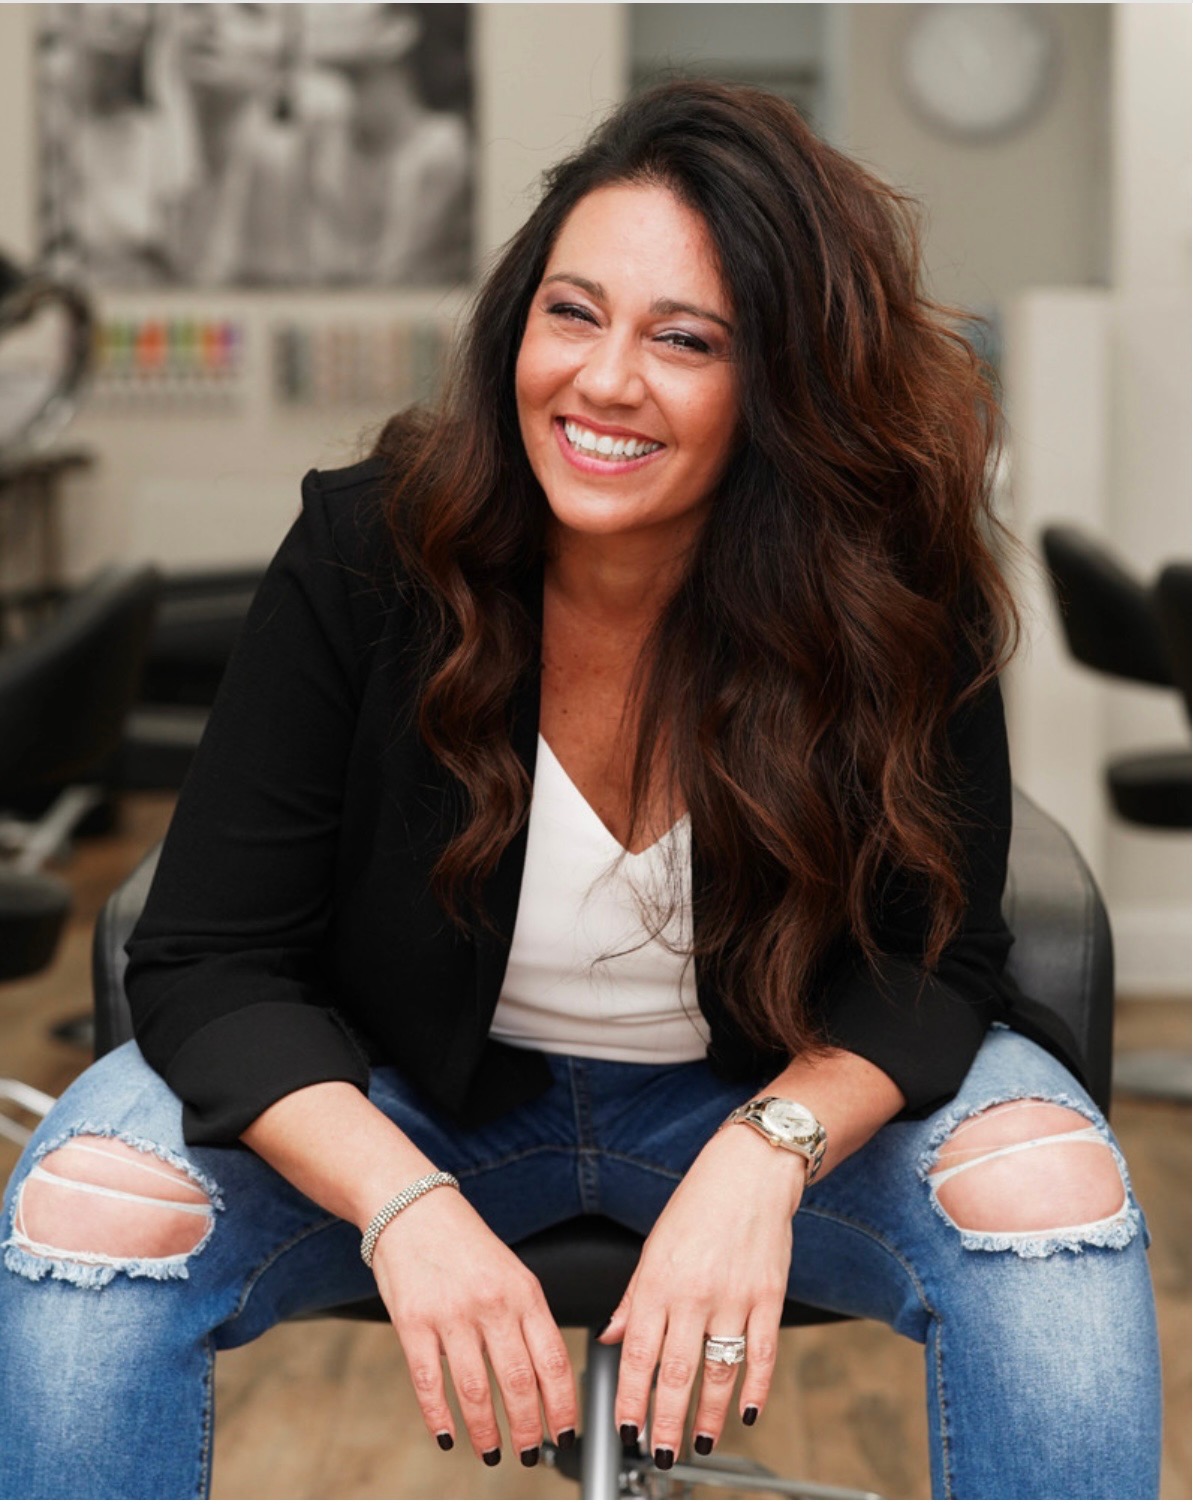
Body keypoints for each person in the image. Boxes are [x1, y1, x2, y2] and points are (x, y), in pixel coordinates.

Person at [0, 81, 1161, 1499]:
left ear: (787, 383)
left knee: (1047, 1193)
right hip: (401, 1102)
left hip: (765, 1099)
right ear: (516, 324)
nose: (604, 381)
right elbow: (207, 957)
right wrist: (403, 1203)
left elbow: (933, 961)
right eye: (573, 313)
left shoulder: (894, 583)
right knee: (89, 1207)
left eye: (686, 339)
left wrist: (763, 1155)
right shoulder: (369, 551)